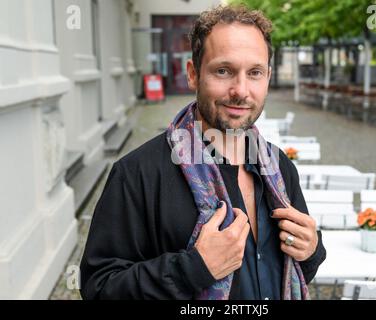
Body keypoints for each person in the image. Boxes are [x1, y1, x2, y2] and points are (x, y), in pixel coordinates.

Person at [80, 4, 326, 300]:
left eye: (255, 73)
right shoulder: (137, 174)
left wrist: (312, 250)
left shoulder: (280, 167)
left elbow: (290, 271)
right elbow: (99, 288)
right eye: (224, 71)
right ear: (193, 74)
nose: (241, 90)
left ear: (268, 78)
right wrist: (191, 270)